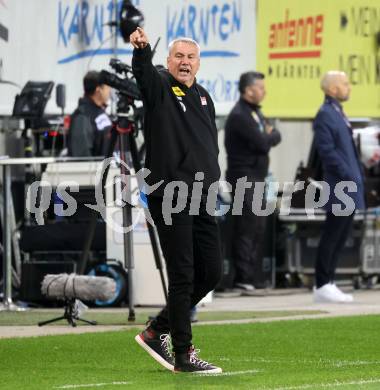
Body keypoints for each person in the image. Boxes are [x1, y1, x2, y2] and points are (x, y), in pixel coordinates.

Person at [130, 27, 223, 373]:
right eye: (178, 57)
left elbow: (208, 146)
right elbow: (143, 75)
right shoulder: (158, 89)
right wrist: (141, 51)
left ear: (199, 63)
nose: (184, 62)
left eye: (190, 57)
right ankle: (183, 354)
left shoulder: (204, 97)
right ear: (168, 61)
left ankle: (157, 330)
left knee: (212, 272)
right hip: (170, 194)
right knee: (183, 273)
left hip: (201, 195)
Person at [224, 71, 281, 292]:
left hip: (258, 177)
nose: (264, 91)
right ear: (248, 90)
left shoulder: (256, 113)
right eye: (260, 88)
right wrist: (269, 136)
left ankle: (253, 274)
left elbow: (275, 135)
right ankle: (242, 276)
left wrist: (270, 135)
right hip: (243, 177)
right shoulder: (240, 115)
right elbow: (263, 142)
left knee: (258, 227)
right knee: (247, 226)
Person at [313, 71, 365, 303]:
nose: (349, 87)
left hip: (348, 184)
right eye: (344, 84)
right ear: (332, 89)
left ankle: (329, 281)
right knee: (332, 235)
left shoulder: (337, 112)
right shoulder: (325, 114)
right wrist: (347, 173)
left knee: (341, 235)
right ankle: (322, 283)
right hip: (338, 185)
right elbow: (327, 151)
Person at [68, 71, 112, 157]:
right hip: (96, 169)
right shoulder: (82, 117)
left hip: (109, 167)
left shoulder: (99, 112)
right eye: (107, 88)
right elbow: (82, 155)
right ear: (98, 90)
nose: (109, 91)